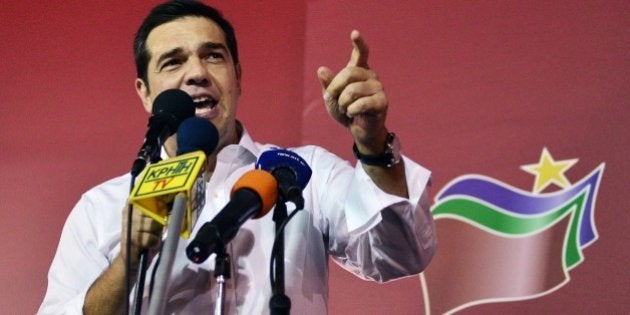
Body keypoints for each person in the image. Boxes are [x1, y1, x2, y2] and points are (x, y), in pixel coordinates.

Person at [39, 0, 436, 314]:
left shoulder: (302, 172)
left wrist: (372, 143)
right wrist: (127, 262)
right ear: (145, 92)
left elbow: (400, 256)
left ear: (238, 76)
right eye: (173, 61)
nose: (197, 72)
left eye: (213, 56)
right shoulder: (101, 209)